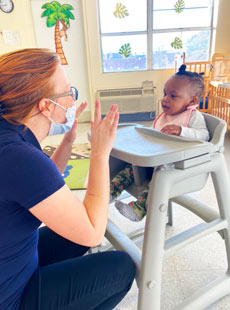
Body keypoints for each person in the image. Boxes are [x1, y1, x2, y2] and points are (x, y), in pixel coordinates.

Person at [0, 48, 136, 310]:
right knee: (121, 267)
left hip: (14, 261)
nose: (73, 101)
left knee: (72, 235)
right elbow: (93, 232)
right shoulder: (19, 157)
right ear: (46, 106)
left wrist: (69, 141)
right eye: (68, 92)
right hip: (11, 298)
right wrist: (99, 153)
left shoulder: (10, 136)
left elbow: (40, 184)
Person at [111, 64, 210, 222]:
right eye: (165, 94)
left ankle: (138, 209)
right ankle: (111, 191)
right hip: (155, 159)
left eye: (173, 96)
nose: (165, 99)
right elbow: (153, 136)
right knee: (129, 168)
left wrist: (182, 131)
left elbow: (204, 135)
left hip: (175, 165)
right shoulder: (164, 116)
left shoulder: (193, 116)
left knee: (160, 176)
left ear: (192, 100)